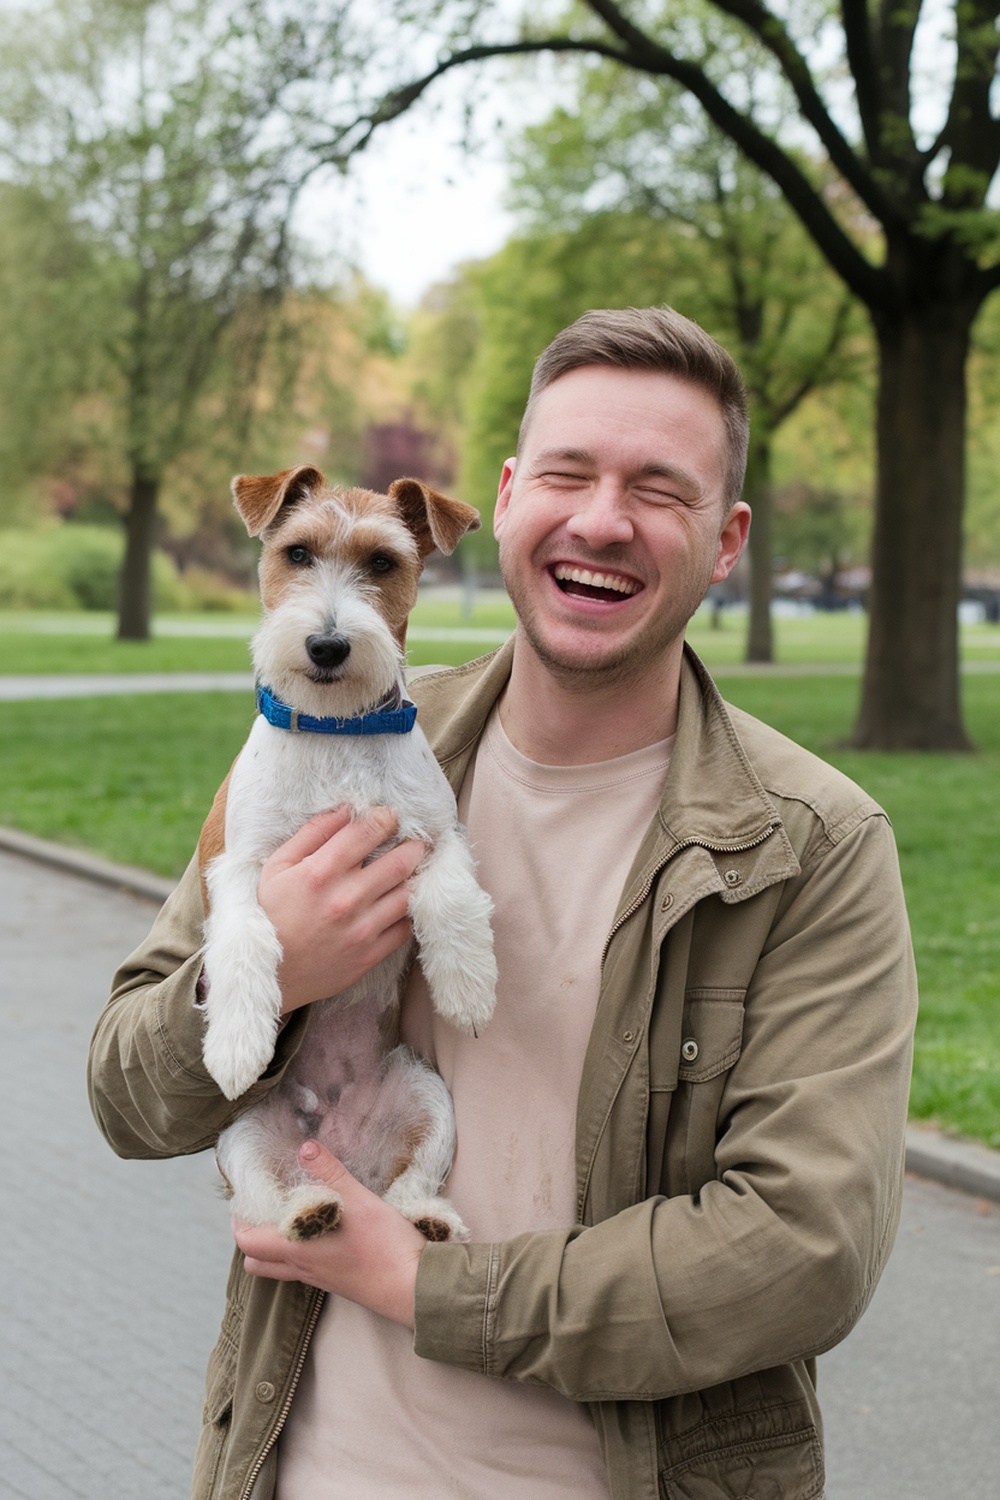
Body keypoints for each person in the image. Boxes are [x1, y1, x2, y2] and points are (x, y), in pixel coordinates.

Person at [88, 306, 917, 1500]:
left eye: (659, 489)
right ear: (510, 495)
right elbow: (124, 1091)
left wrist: (424, 1287)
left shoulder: (813, 849)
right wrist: (272, 975)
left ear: (727, 539)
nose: (599, 519)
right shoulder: (318, 736)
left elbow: (803, 1255)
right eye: (569, 474)